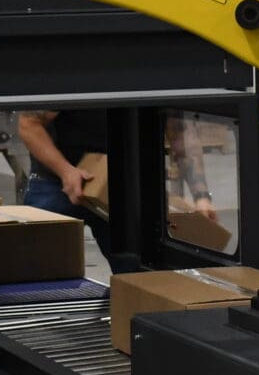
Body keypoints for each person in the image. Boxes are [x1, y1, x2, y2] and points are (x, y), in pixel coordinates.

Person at [16, 110, 219, 271]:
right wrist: (66, 171)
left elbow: (180, 132)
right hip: (58, 180)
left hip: (121, 184)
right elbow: (28, 125)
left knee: (139, 274)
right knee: (38, 272)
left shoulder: (156, 70)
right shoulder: (75, 64)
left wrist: (201, 196)